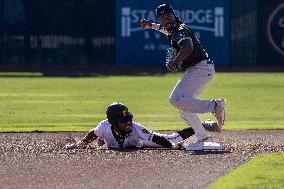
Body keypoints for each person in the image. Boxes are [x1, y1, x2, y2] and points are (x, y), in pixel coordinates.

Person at [140, 4, 226, 150]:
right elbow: (164, 28)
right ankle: (203, 138)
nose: (166, 19)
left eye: (169, 16)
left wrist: (174, 62)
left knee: (175, 99)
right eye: (163, 17)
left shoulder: (180, 30)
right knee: (183, 106)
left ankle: (215, 105)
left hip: (200, 69)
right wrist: (150, 25)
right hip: (199, 69)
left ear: (174, 15)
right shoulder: (173, 29)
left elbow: (188, 47)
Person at [65, 102, 221, 150]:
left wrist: (172, 147)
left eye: (128, 119)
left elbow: (158, 138)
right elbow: (94, 132)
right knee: (102, 140)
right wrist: (81, 144)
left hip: (146, 141)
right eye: (123, 120)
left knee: (173, 138)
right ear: (113, 122)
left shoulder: (136, 128)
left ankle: (203, 125)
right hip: (119, 142)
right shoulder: (105, 127)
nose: (128, 122)